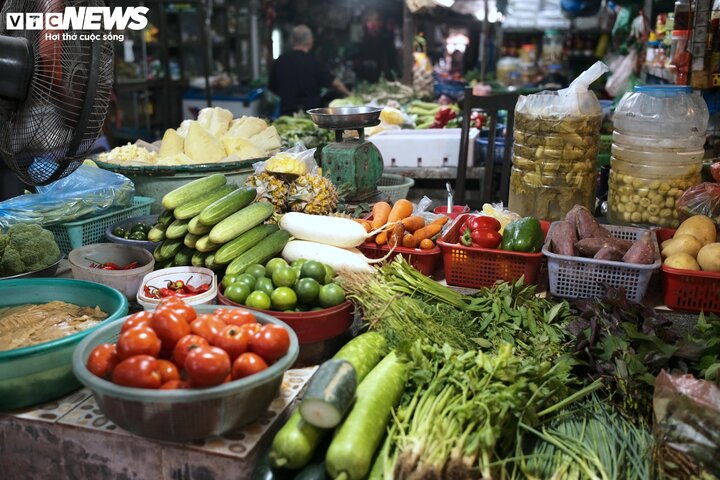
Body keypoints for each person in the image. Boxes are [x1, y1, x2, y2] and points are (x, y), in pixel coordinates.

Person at [269, 25, 351, 115]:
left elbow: (272, 88)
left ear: (292, 40)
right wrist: (349, 95)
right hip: (311, 116)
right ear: (310, 40)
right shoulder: (314, 62)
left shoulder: (280, 61)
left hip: (286, 115)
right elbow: (335, 83)